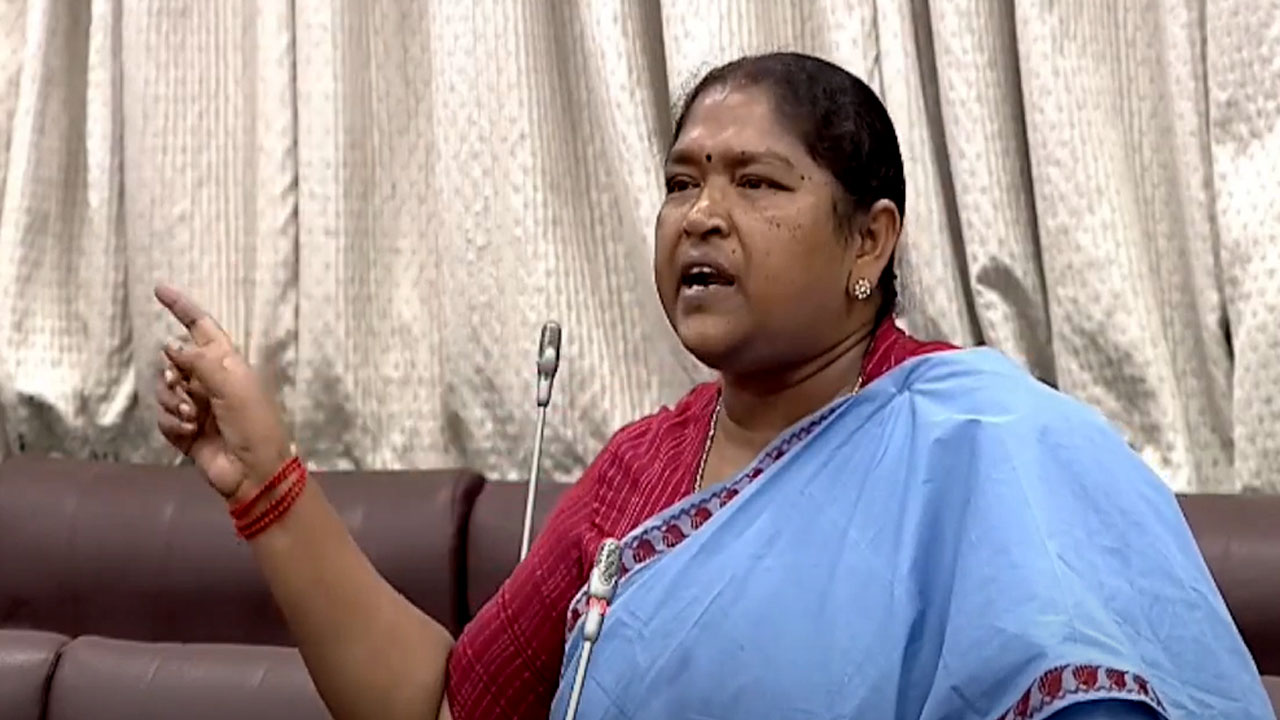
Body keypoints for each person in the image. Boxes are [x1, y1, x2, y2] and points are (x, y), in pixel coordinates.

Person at [153, 52, 1274, 720]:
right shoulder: (639, 472)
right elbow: (446, 707)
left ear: (868, 241)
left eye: (757, 183)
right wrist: (268, 483)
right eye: (681, 181)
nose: (701, 215)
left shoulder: (992, 446)